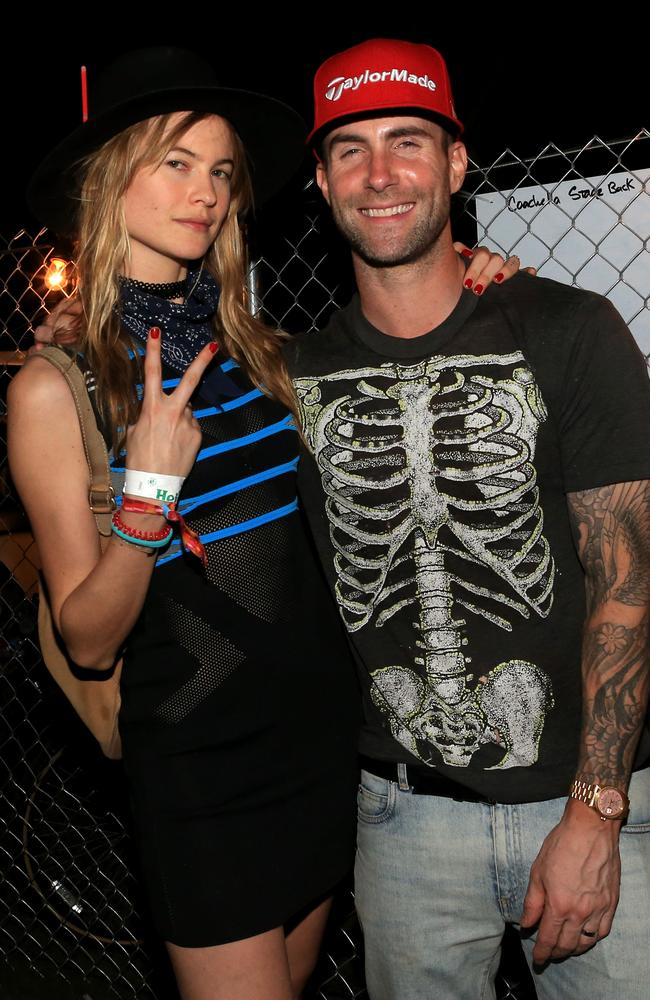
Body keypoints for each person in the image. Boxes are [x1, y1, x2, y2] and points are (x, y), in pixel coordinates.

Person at [283, 37, 650, 1000]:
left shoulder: (569, 328)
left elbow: (629, 578)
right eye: (350, 150)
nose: (380, 174)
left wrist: (596, 813)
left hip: (583, 805)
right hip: (401, 822)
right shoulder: (292, 376)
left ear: (455, 163)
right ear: (319, 183)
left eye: (408, 141)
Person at [9, 47, 364, 1000]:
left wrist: (480, 271)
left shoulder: (263, 351)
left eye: (219, 171)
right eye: (175, 163)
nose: (205, 192)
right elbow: (86, 637)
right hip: (202, 764)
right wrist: (147, 497)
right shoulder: (59, 384)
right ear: (109, 179)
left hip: (321, 735)